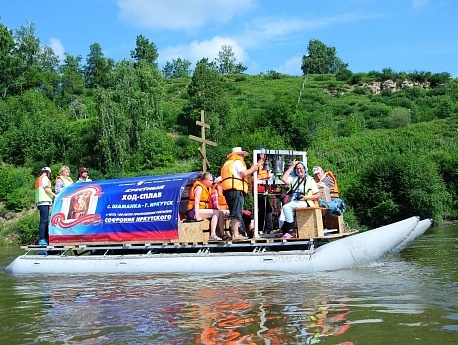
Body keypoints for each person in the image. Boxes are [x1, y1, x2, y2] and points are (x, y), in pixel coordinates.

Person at [220, 147, 261, 240]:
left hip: (228, 190)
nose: (243, 157)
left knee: (234, 211)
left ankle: (235, 233)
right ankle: (235, 234)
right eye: (242, 155)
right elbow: (244, 173)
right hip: (236, 189)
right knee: (236, 212)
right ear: (239, 155)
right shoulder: (237, 162)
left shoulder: (227, 164)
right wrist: (253, 169)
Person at [278, 160, 320, 236]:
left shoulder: (310, 180)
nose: (299, 170)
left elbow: (317, 195)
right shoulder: (294, 179)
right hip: (295, 201)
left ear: (305, 169)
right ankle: (284, 232)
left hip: (305, 201)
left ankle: (290, 231)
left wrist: (306, 198)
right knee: (282, 215)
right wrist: (292, 166)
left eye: (301, 168)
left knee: (287, 207)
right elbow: (283, 178)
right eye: (297, 168)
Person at [187, 172, 226, 241]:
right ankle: (213, 235)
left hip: (202, 210)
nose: (212, 182)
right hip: (193, 212)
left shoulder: (208, 188)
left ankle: (222, 234)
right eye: (211, 180)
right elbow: (196, 202)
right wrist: (197, 215)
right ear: (205, 181)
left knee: (220, 213)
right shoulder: (199, 187)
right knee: (216, 213)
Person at [34, 167, 57, 245]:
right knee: (44, 221)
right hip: (44, 202)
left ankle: (44, 238)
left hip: (40, 202)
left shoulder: (39, 179)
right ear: (48, 173)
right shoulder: (45, 178)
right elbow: (47, 189)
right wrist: (55, 195)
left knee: (44, 220)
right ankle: (43, 239)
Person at [256, 149, 273, 234]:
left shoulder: (265, 165)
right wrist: (267, 176)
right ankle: (266, 228)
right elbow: (254, 177)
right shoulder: (257, 165)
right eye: (264, 154)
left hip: (265, 190)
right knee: (266, 209)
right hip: (259, 190)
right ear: (260, 155)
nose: (265, 155)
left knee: (265, 209)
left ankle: (264, 228)